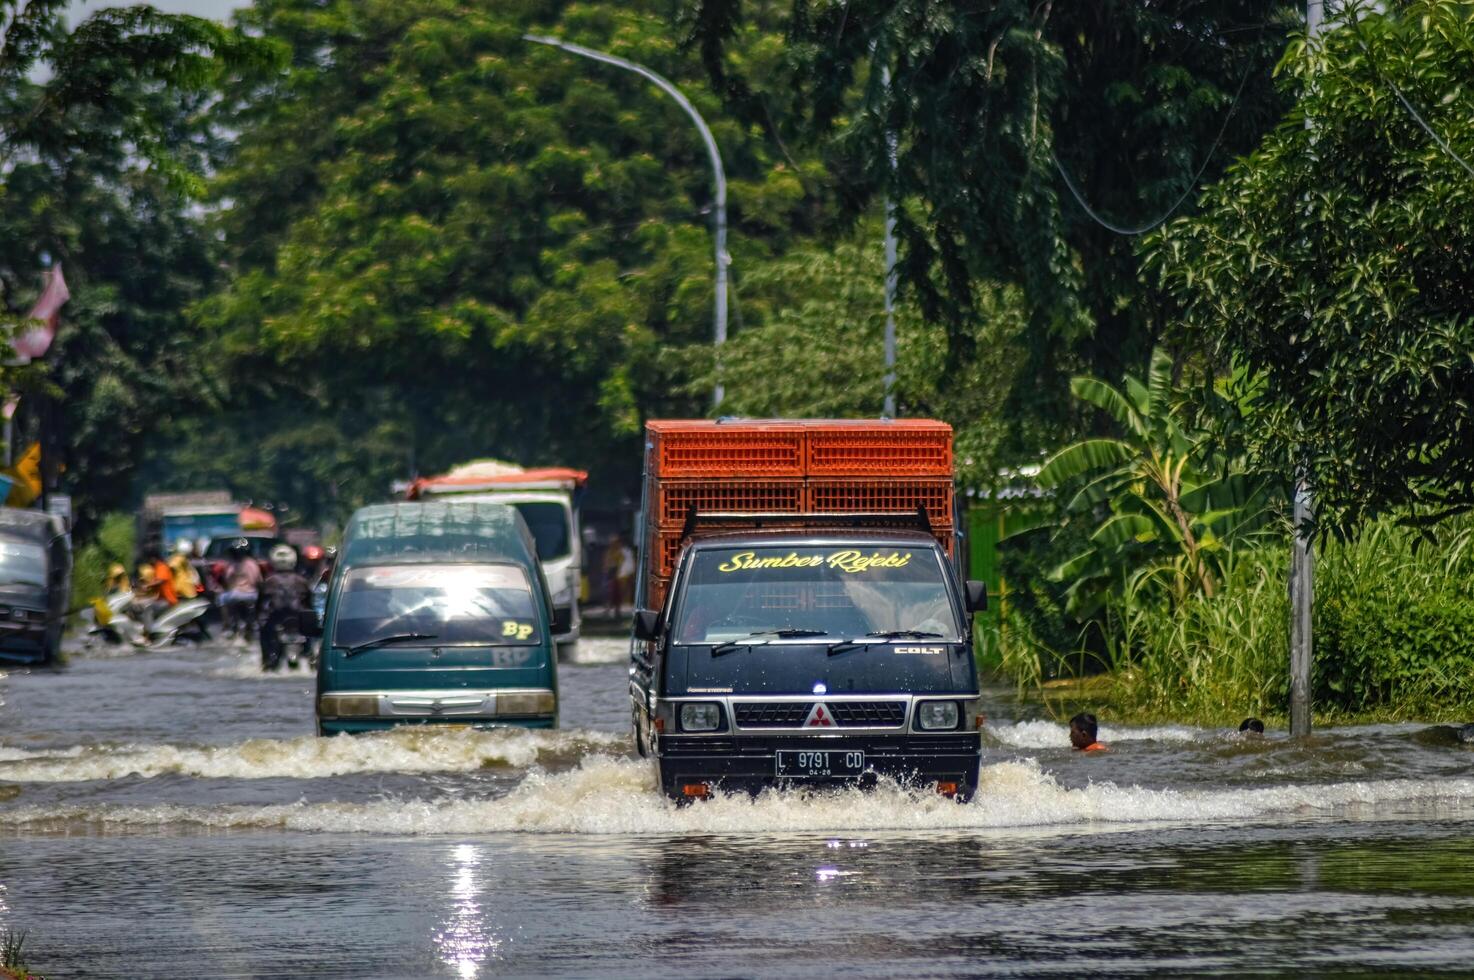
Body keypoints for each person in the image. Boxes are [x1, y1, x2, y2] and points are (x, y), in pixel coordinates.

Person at [258, 543, 310, 670]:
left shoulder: (269, 581)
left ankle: (266, 660)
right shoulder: (302, 580)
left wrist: (258, 617)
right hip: (298, 617)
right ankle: (309, 655)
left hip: (277, 616)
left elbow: (260, 603)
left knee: (263, 632)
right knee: (311, 631)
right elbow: (309, 603)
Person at [218, 537, 263, 641]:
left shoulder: (231, 565)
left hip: (234, 595)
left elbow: (227, 580)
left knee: (220, 598)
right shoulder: (253, 563)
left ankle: (227, 624)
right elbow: (258, 581)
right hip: (252, 595)